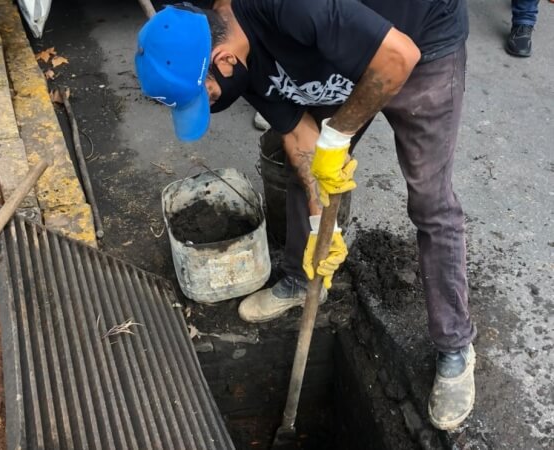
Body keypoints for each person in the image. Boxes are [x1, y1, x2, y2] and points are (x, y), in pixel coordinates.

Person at [134, 0, 476, 430]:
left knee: (430, 199)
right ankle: (303, 277)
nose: (212, 106)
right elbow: (300, 137)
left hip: (420, 42)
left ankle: (455, 345)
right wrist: (320, 229)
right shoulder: (239, 57)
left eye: (208, 95)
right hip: (344, 57)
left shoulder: (292, 9)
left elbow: (398, 56)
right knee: (302, 169)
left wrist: (338, 135)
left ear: (223, 60)